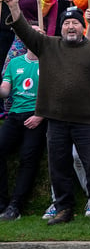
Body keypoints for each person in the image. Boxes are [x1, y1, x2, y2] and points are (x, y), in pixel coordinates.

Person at [3, 0, 90, 225]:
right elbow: (24, 30)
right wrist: (14, 6)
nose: (70, 27)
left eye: (75, 22)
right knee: (58, 166)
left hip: (87, 120)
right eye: (66, 23)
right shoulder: (47, 45)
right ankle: (64, 208)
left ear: (82, 26)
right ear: (61, 28)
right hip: (55, 120)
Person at [0, 31, 45, 221]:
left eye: (38, 34)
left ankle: (16, 206)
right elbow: (5, 91)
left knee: (28, 157)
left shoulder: (49, 62)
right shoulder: (15, 62)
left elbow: (57, 94)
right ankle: (2, 203)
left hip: (38, 117)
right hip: (15, 115)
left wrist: (40, 116)